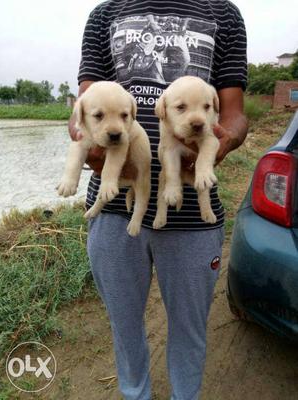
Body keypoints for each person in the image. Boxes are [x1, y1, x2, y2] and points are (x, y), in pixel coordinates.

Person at [69, 1, 248, 399]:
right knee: (125, 327)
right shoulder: (105, 15)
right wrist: (85, 143)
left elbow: (234, 114)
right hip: (116, 208)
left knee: (189, 329)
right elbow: (85, 105)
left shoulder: (225, 15)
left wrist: (216, 144)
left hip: (191, 215)